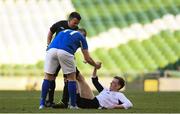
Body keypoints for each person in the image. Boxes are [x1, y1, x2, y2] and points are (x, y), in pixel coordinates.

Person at [39, 28, 101, 109]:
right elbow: (88, 58)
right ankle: (73, 105)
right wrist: (96, 65)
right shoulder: (81, 37)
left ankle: (42, 104)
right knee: (71, 78)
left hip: (51, 50)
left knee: (47, 77)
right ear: (84, 36)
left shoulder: (63, 32)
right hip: (65, 52)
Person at [45, 12, 81, 108]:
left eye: (77, 23)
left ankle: (64, 102)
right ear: (69, 20)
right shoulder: (60, 24)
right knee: (51, 77)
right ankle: (49, 100)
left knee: (68, 79)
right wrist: (48, 44)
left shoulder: (76, 30)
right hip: (56, 55)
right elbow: (51, 31)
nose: (76, 25)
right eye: (75, 22)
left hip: (66, 57)